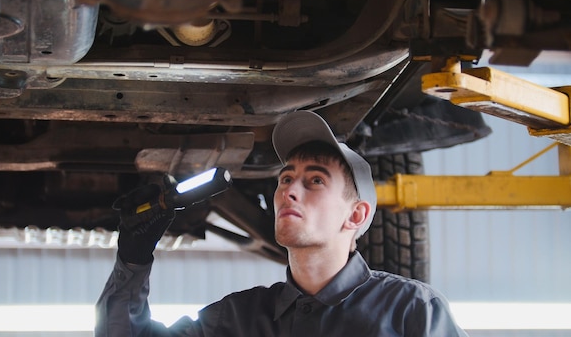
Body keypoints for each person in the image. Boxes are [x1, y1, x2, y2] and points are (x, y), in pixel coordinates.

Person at [95, 110, 468, 336]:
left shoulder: (410, 311)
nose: (289, 191)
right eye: (286, 179)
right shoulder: (237, 320)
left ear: (356, 215)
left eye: (315, 180)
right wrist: (133, 259)